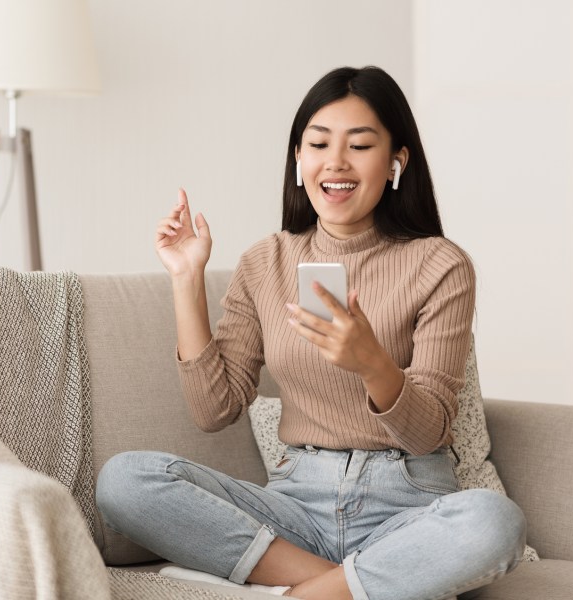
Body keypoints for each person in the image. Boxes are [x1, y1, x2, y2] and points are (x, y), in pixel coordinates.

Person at [96, 66, 527, 600]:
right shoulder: (265, 262)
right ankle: (346, 587)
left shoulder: (440, 265)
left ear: (397, 161)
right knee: (125, 480)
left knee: (494, 522)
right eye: (318, 143)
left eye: (360, 145)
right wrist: (186, 280)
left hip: (406, 506)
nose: (336, 162)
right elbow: (214, 411)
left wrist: (373, 363)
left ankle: (304, 592)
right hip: (298, 507)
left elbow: (430, 432)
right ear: (299, 160)